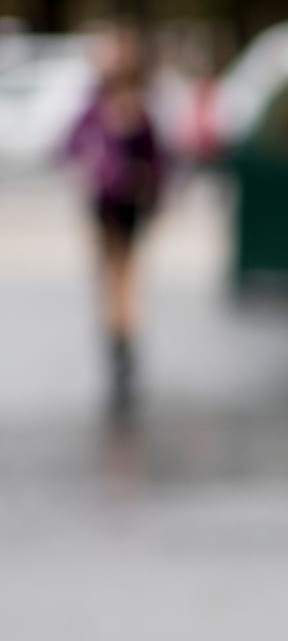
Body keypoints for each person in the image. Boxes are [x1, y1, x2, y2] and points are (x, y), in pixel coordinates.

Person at [61, 29, 164, 411]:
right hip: (107, 200)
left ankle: (122, 340)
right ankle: (118, 339)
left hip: (126, 200)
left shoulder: (135, 107)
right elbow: (69, 146)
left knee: (123, 271)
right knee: (116, 271)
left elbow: (156, 159)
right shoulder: (100, 108)